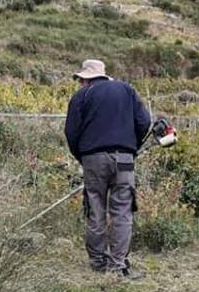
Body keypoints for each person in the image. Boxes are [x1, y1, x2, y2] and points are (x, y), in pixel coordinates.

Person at [64, 59, 152, 275]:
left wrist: (82, 156)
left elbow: (71, 132)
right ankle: (117, 266)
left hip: (92, 158)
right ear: (104, 75)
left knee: (95, 208)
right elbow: (144, 122)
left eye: (81, 80)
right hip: (124, 158)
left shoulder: (81, 96)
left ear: (85, 79)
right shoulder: (126, 90)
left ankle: (98, 263)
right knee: (122, 212)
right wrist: (131, 149)